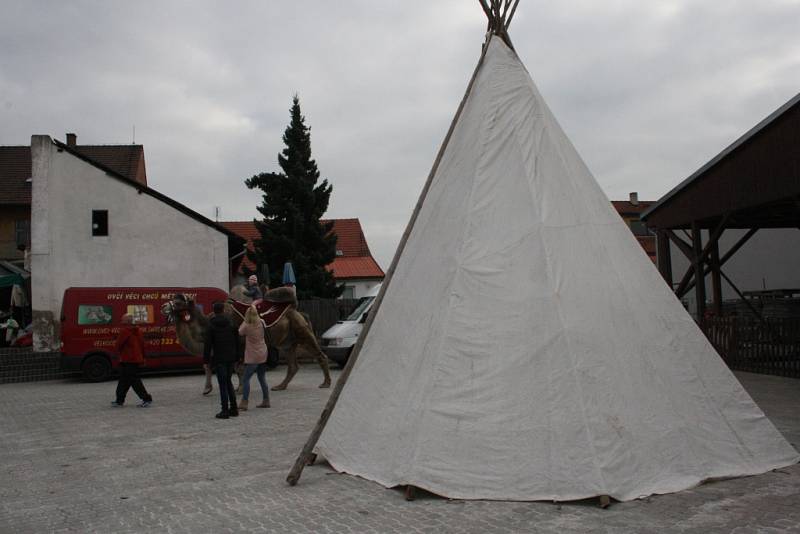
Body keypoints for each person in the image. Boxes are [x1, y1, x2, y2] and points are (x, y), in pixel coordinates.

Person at [204, 301, 241, 419]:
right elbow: (237, 341)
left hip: (219, 358)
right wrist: (238, 356)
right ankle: (234, 408)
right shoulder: (231, 323)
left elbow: (208, 345)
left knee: (223, 384)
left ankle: (224, 410)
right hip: (231, 357)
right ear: (223, 310)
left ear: (214, 311)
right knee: (228, 381)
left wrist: (206, 360)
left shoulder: (211, 326)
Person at [111, 314, 153, 407]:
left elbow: (118, 345)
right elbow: (143, 345)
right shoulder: (138, 331)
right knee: (124, 380)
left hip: (127, 359)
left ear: (127, 321)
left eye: (123, 320)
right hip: (136, 359)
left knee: (133, 381)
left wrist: (115, 353)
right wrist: (143, 357)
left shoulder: (124, 331)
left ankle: (146, 398)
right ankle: (119, 400)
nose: (121, 321)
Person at [237, 305, 270, 411]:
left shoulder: (246, 325)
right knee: (262, 378)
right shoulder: (261, 322)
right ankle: (266, 400)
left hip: (253, 355)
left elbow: (239, 332)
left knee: (246, 379)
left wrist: (244, 320)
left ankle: (244, 402)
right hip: (263, 352)